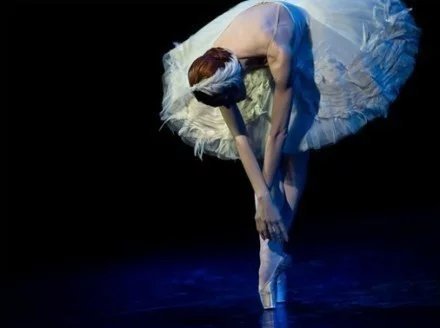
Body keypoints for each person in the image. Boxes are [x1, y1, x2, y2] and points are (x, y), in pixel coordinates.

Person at [159, 0, 420, 309]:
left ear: (237, 78)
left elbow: (278, 134)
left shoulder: (278, 52)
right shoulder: (215, 65)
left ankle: (271, 255)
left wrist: (266, 201)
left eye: (230, 98)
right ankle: (271, 258)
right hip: (253, 39)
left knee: (295, 145)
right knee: (263, 167)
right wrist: (262, 197)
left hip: (297, 34)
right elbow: (240, 137)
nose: (231, 104)